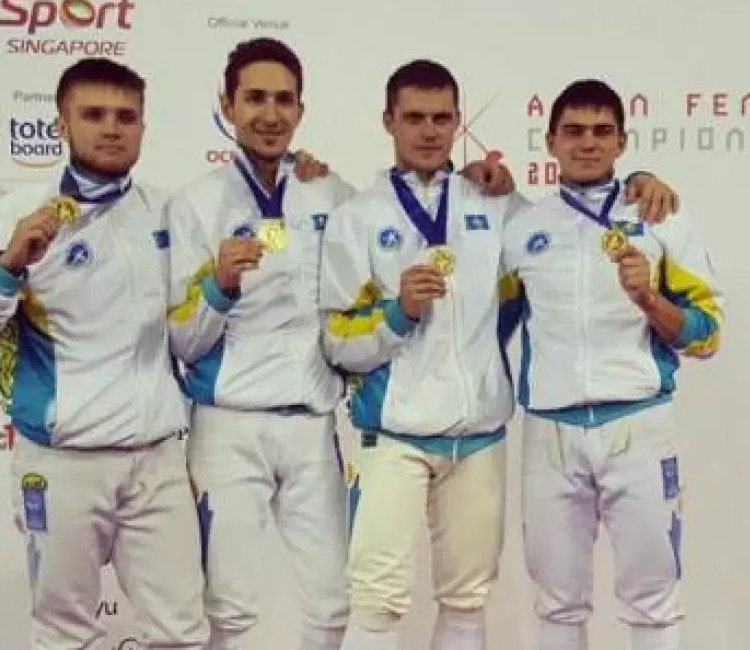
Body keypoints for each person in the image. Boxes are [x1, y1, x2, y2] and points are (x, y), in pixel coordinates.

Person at [164, 37, 522, 650]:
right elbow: (182, 339)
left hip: (313, 423)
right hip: (228, 425)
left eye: (283, 100)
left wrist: (482, 181)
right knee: (230, 610)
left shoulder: (333, 195)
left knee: (335, 606)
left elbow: (440, 241)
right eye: (255, 99)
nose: (270, 114)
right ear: (227, 106)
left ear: (300, 110)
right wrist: (219, 286)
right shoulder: (195, 204)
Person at [317, 61, 680, 650]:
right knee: (377, 605)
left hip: (479, 439)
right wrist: (397, 313)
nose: (429, 131)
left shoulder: (501, 209)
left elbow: (569, 230)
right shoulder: (357, 218)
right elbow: (336, 340)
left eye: (442, 118)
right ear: (388, 121)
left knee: (466, 603)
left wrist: (639, 179)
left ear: (459, 122)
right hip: (395, 435)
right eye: (415, 117)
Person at [0, 58, 208, 650]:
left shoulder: (169, 211)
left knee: (182, 633)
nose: (111, 128)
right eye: (93, 114)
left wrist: (300, 173)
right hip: (62, 464)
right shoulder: (18, 215)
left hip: (157, 461)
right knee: (64, 635)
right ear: (61, 125)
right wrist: (8, 266)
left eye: (126, 116)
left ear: (143, 126)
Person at [498, 79, 724, 650]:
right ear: (550, 141)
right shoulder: (522, 229)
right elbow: (487, 332)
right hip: (551, 433)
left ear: (622, 141)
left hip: (638, 426)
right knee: (557, 605)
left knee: (653, 602)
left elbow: (708, 334)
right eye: (574, 131)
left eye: (602, 131)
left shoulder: (660, 218)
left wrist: (650, 301)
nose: (588, 143)